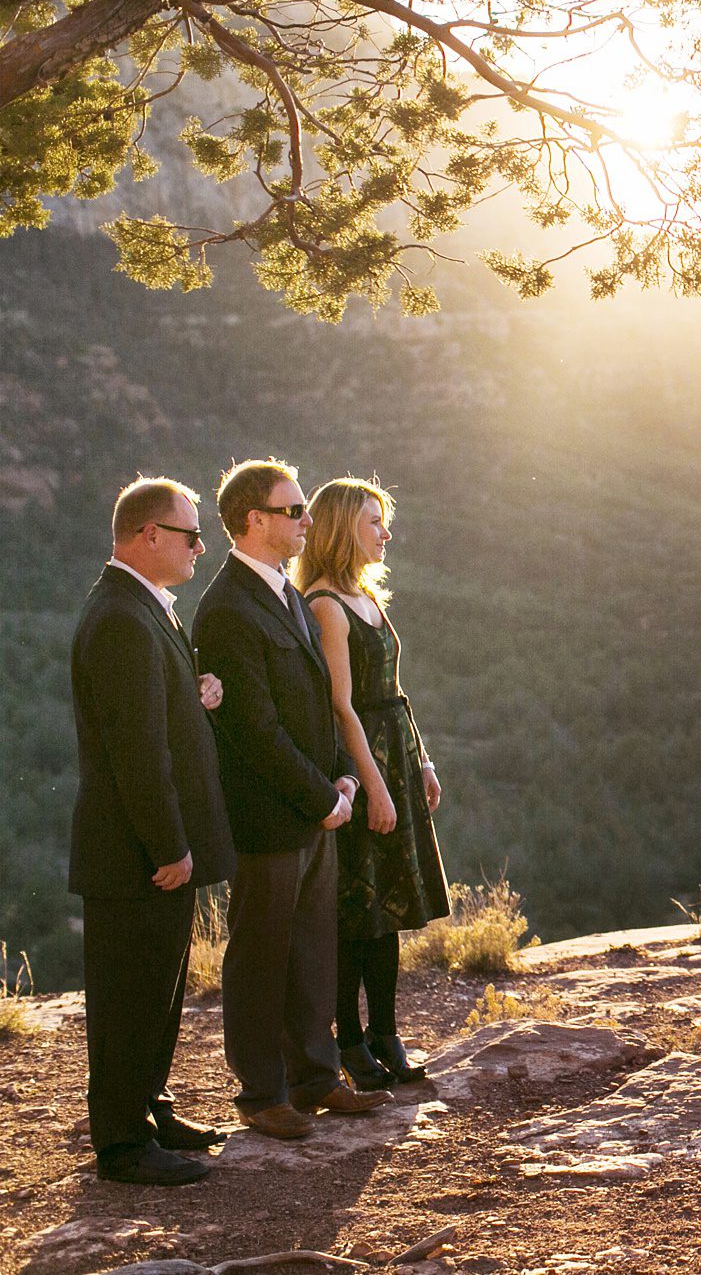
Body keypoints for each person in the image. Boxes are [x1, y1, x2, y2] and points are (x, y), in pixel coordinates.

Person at [194, 458, 393, 1140]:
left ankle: (314, 1076)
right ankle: (261, 1092)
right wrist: (321, 795)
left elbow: (320, 700)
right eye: (295, 510)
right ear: (254, 520)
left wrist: (342, 776)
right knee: (261, 953)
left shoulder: (286, 591)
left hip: (315, 808)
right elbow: (254, 727)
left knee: (311, 947)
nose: (308, 520)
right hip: (268, 817)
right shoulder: (225, 608)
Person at [69, 477, 236, 1185]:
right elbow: (136, 751)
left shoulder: (143, 609)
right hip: (136, 854)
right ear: (148, 536)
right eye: (190, 533)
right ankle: (122, 1142)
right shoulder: (120, 617)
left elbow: (153, 714)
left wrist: (195, 696)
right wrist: (169, 846)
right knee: (129, 993)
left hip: (151, 852)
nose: (202, 545)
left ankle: (150, 1106)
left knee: (159, 988)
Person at [297, 478, 448, 1090]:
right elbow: (342, 705)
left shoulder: (365, 596)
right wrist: (375, 784)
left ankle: (386, 1033)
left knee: (390, 911)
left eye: (384, 521)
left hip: (397, 759)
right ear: (341, 528)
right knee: (357, 914)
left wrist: (423, 761)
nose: (385, 533)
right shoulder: (325, 604)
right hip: (362, 768)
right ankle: (350, 1042)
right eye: (373, 522)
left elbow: (395, 694)